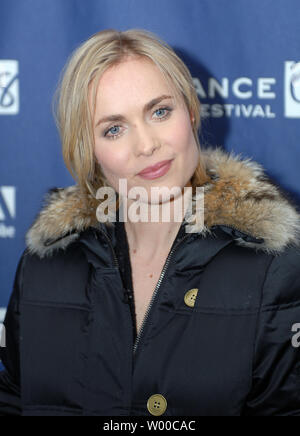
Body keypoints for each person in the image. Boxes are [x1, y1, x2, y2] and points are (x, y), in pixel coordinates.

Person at [1, 28, 300, 417]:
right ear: (89, 151)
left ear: (191, 111)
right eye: (114, 128)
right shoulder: (45, 263)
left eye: (160, 111)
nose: (146, 145)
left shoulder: (274, 266)